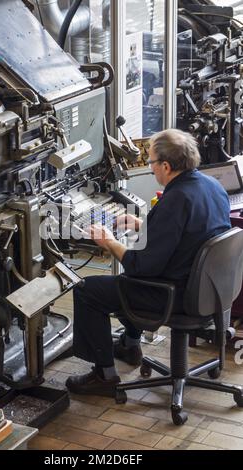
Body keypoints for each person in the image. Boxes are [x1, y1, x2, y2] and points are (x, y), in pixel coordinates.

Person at [66, 128, 231, 397]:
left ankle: (104, 375)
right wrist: (142, 224)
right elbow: (190, 233)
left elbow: (140, 266)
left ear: (166, 165)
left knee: (88, 289)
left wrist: (108, 241)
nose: (152, 169)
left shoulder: (176, 199)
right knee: (123, 284)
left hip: (174, 296)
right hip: (210, 291)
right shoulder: (209, 185)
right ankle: (130, 346)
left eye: (152, 163)